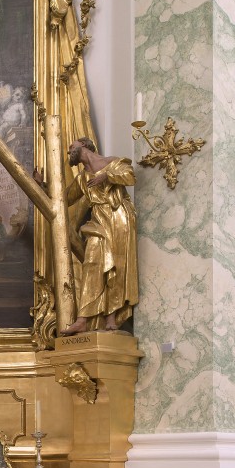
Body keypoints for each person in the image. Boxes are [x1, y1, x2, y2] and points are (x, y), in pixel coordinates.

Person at [63, 137, 138, 334]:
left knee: (115, 266)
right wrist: (41, 186)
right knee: (92, 262)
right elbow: (63, 198)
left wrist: (107, 176)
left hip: (119, 218)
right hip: (98, 220)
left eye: (72, 146)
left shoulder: (112, 162)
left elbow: (130, 176)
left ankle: (111, 316)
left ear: (84, 146)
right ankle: (83, 318)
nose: (69, 150)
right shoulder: (81, 179)